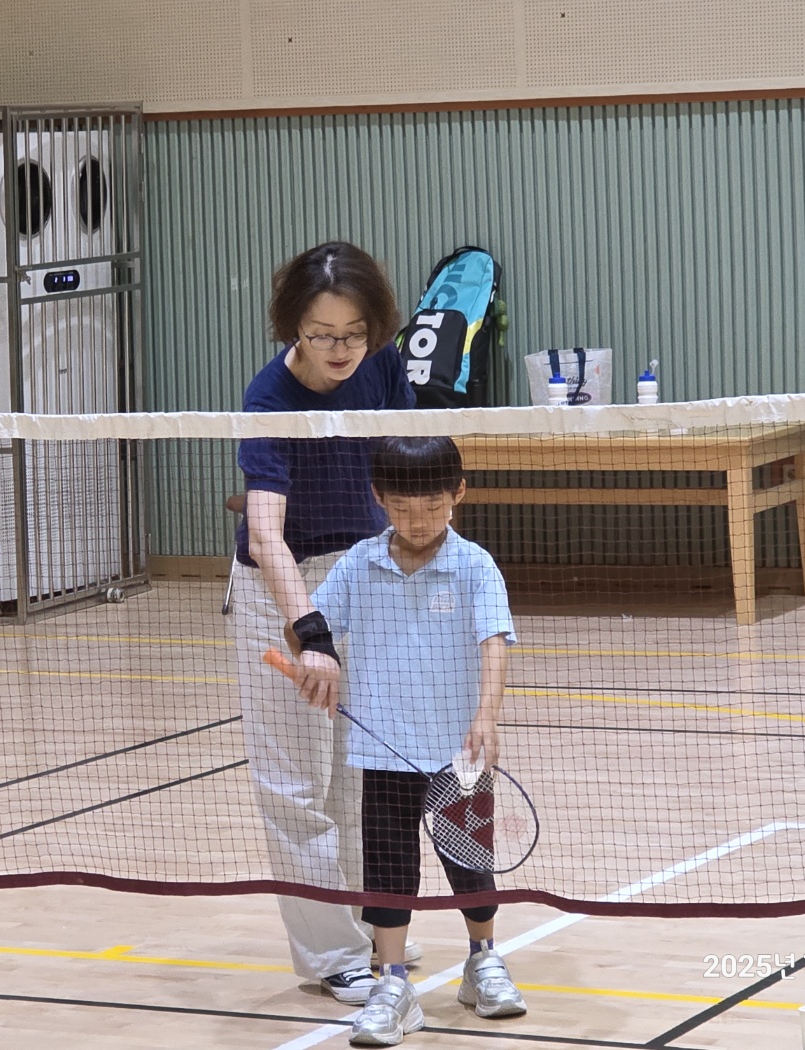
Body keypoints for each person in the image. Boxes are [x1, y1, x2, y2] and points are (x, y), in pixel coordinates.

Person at [231, 242, 417, 1004]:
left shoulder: (384, 365)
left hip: (365, 574)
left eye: (353, 334)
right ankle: (332, 955)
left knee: (358, 774)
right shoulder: (269, 400)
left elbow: (404, 467)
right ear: (293, 329)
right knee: (294, 783)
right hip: (283, 587)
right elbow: (264, 534)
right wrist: (309, 632)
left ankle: (375, 930)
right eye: (321, 335)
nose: (340, 351)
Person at [309, 436, 527, 1046]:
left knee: (471, 862)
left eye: (432, 505)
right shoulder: (358, 564)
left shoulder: (474, 565)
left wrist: (486, 716)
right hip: (383, 749)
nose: (419, 520)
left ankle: (482, 960)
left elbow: (494, 642)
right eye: (403, 507)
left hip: (460, 750)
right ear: (378, 498)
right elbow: (312, 624)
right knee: (389, 869)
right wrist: (315, 653)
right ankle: (393, 983)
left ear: (458, 494)